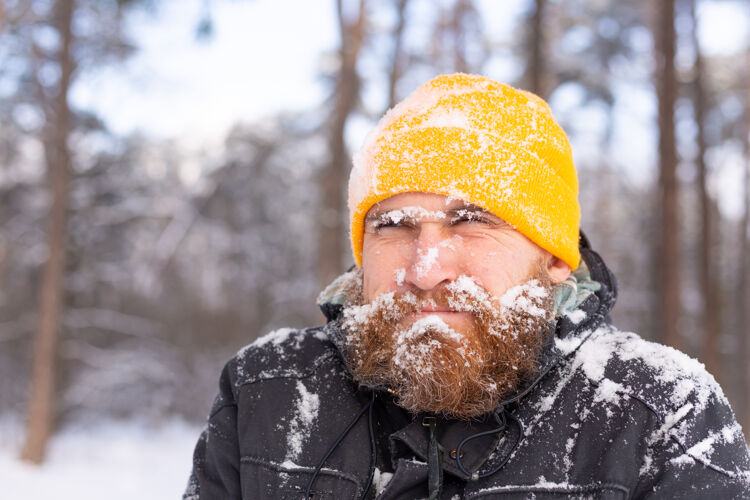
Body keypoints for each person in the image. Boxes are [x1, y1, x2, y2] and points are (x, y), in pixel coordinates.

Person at [184, 74, 750, 499]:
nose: (426, 269)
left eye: (472, 221)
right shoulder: (267, 389)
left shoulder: (656, 410)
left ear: (554, 257)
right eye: (394, 225)